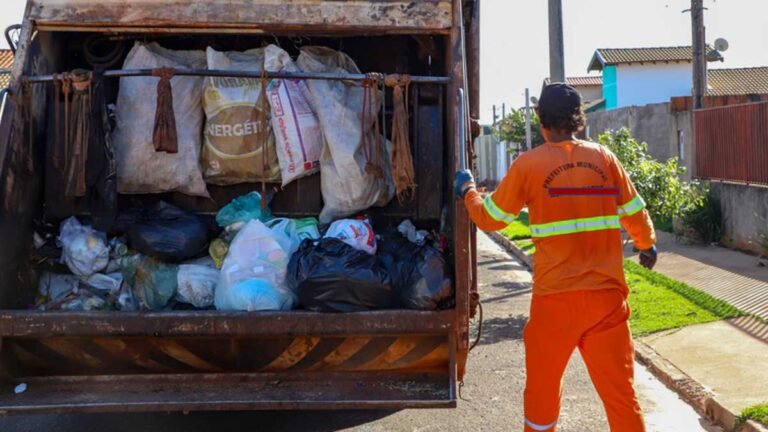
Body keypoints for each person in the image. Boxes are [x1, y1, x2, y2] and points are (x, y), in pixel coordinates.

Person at [455, 83, 657, 432]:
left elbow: (490, 218)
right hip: (606, 300)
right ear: (579, 118)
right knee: (621, 398)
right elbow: (634, 211)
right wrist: (646, 243)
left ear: (541, 121)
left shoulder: (529, 165)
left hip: (555, 303)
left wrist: (467, 191)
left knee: (542, 397)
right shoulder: (604, 159)